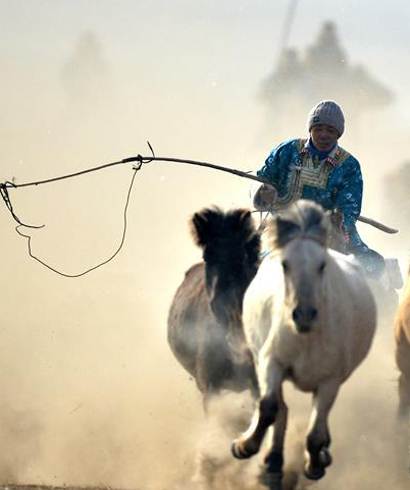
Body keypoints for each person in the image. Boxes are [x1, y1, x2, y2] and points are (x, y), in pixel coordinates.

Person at [253, 99, 386, 279]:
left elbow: (349, 210)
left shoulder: (349, 166)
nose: (324, 135)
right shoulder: (286, 151)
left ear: (338, 134)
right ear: (310, 129)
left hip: (331, 235)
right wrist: (264, 192)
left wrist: (333, 228)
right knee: (251, 268)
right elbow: (261, 180)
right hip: (282, 231)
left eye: (330, 130)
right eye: (318, 128)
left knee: (373, 267)